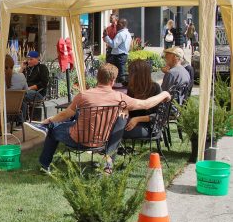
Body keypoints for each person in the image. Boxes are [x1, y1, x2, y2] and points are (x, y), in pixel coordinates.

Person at [26, 63, 171, 173]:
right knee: (117, 120)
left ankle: (45, 162)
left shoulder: (84, 95)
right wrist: (164, 94)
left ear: (97, 77)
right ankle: (108, 160)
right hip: (103, 140)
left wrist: (49, 119)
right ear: (113, 80)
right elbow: (146, 104)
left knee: (53, 127)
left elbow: (65, 114)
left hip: (78, 139)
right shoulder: (120, 97)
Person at [0, 55, 28, 134]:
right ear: (13, 65)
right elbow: (26, 90)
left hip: (0, 106)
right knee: (14, 104)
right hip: (16, 107)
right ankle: (1, 122)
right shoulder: (22, 77)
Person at [123, 60, 162, 139]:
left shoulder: (155, 88)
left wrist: (137, 119)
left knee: (114, 131)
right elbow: (129, 107)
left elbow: (158, 116)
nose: (128, 76)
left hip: (149, 126)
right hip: (133, 122)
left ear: (139, 75)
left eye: (130, 73)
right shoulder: (132, 88)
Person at [103, 18, 131, 85]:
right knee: (121, 73)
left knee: (118, 74)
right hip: (123, 55)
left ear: (120, 25)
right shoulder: (127, 33)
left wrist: (106, 36)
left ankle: (119, 88)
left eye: (117, 24)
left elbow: (113, 45)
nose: (116, 26)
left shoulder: (121, 34)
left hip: (118, 56)